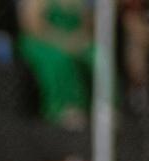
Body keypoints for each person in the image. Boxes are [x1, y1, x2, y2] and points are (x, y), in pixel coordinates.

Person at [18, 0, 95, 129]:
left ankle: (105, 106)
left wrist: (77, 42)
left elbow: (86, 27)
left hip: (73, 42)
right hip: (42, 43)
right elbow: (33, 26)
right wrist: (63, 42)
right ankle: (64, 108)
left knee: (98, 56)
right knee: (60, 60)